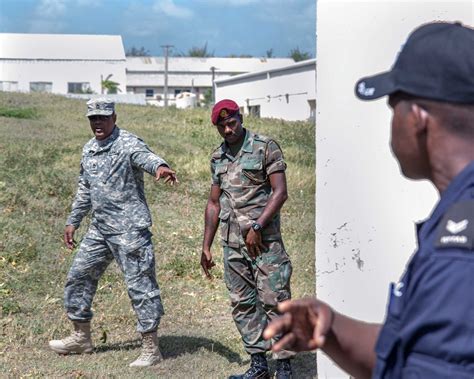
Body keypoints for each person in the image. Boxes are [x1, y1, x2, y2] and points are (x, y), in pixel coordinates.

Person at [263, 21, 474, 378]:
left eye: (393, 107)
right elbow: (414, 355)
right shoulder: (456, 212)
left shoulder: (459, 248)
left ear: (418, 119)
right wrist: (328, 330)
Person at [49, 98, 178, 367]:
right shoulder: (89, 149)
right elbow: (85, 188)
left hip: (129, 229)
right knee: (78, 276)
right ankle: (81, 337)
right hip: (100, 229)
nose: (97, 123)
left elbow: (146, 157)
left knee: (141, 286)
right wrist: (73, 221)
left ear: (114, 118)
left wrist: (160, 167)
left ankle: (151, 347)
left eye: (103, 117)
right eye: (93, 118)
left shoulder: (128, 143)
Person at [201, 99, 295, 379]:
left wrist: (258, 225)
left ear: (240, 118)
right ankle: (259, 365)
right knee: (242, 303)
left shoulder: (265, 146)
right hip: (232, 244)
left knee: (275, 301)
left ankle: (285, 367)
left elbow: (280, 192)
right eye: (222, 126)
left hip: (265, 242)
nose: (229, 130)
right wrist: (206, 245)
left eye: (232, 123)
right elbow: (213, 203)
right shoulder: (218, 158)